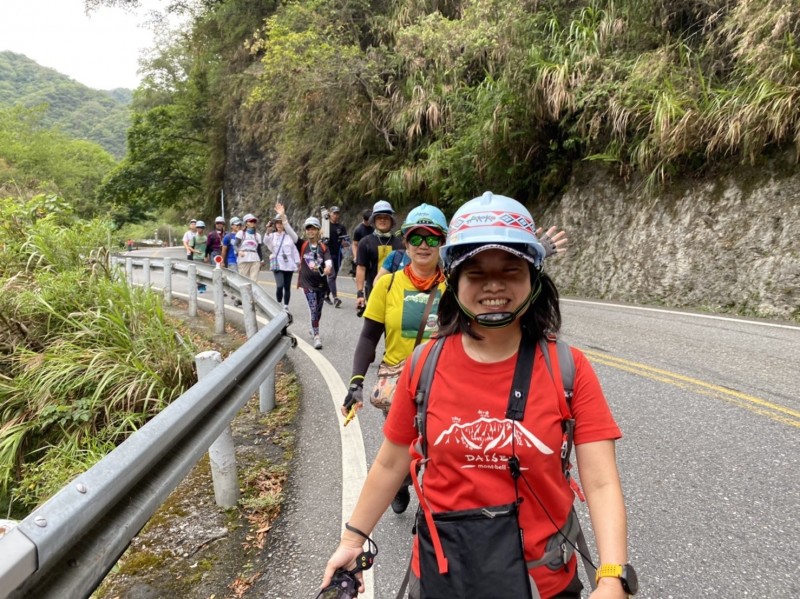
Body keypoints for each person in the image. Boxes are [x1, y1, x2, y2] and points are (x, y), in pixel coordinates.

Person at [322, 192, 632, 599]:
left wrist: (612, 577)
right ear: (454, 279)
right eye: (476, 273)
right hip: (442, 578)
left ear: (534, 278)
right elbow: (391, 461)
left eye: (511, 270)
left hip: (543, 583)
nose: (494, 286)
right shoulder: (423, 364)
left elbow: (601, 482)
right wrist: (352, 541)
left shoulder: (568, 369)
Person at [343, 203, 448, 515]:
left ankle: (428, 506)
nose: (424, 245)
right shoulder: (388, 285)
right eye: (417, 238)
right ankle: (400, 484)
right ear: (406, 241)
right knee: (402, 449)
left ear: (442, 242)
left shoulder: (456, 286)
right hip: (400, 383)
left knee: (438, 449)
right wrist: (356, 381)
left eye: (432, 238)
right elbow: (368, 336)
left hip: (444, 381)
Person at [355, 200, 403, 312]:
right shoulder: (365, 242)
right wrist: (359, 293)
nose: (382, 220)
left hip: (396, 293)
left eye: (386, 217)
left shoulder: (400, 243)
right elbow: (361, 268)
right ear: (374, 220)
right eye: (379, 217)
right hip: (372, 291)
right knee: (373, 327)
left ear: (391, 220)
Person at [297, 216, 332, 350]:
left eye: (313, 229)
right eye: (308, 229)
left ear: (318, 231)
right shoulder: (303, 245)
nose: (310, 231)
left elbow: (328, 261)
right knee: (313, 307)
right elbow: (291, 233)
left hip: (321, 284)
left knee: (318, 310)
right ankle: (316, 335)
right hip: (307, 284)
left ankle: (313, 326)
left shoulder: (323, 247)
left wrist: (328, 267)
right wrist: (283, 218)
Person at [265, 202, 300, 312]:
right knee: (279, 285)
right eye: (277, 223)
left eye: (281, 223)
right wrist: (268, 230)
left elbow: (294, 250)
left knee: (287, 287)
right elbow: (265, 241)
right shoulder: (272, 236)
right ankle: (279, 303)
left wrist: (298, 263)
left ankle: (285, 305)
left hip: (289, 264)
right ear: (275, 225)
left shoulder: (290, 236)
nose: (279, 225)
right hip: (278, 264)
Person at [323, 206, 350, 307]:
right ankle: (335, 298)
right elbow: (319, 238)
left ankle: (326, 294)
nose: (335, 215)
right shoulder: (325, 226)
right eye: (334, 213)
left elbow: (346, 242)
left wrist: (345, 242)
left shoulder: (341, 227)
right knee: (332, 275)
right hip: (327, 254)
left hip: (338, 254)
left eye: (337, 213)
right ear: (330, 213)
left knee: (333, 277)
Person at [235, 213, 263, 282]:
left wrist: (261, 260)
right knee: (243, 280)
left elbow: (259, 249)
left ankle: (252, 293)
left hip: (255, 259)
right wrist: (239, 251)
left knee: (254, 281)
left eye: (254, 221)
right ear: (246, 223)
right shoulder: (241, 233)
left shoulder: (258, 236)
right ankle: (244, 293)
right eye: (251, 221)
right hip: (244, 258)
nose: (253, 223)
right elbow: (235, 245)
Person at [350, 208, 373, 276]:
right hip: (362, 255)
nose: (368, 222)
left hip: (371, 255)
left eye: (369, 220)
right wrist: (355, 257)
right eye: (366, 220)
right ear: (363, 218)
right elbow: (354, 244)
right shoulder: (358, 230)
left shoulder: (374, 229)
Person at [190, 221, 208, 293]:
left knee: (204, 272)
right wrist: (195, 251)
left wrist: (207, 256)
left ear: (203, 228)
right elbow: (190, 247)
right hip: (196, 257)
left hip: (204, 257)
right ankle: (199, 286)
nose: (199, 229)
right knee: (198, 272)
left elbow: (208, 248)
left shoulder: (206, 238)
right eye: (198, 227)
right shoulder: (194, 238)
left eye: (200, 227)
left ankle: (202, 287)